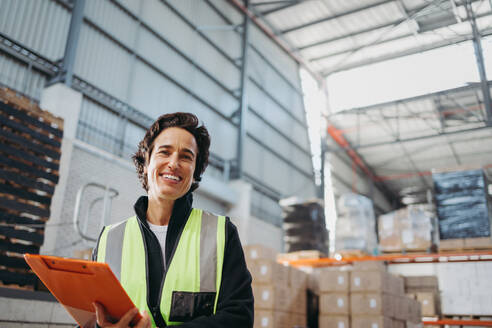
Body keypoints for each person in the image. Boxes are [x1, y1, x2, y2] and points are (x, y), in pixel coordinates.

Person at [91, 112, 254, 327]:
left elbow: (239, 318)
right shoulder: (109, 239)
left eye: (186, 156)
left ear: (195, 172)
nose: (174, 163)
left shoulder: (221, 233)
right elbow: (89, 316)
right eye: (164, 152)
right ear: (146, 161)